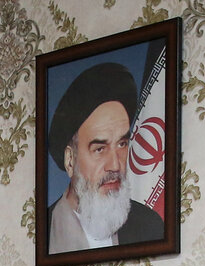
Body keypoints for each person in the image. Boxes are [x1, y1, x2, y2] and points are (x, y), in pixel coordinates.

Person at [47, 62, 163, 254]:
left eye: (122, 144)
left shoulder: (149, 225)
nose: (115, 165)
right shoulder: (44, 232)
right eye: (100, 149)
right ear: (70, 160)